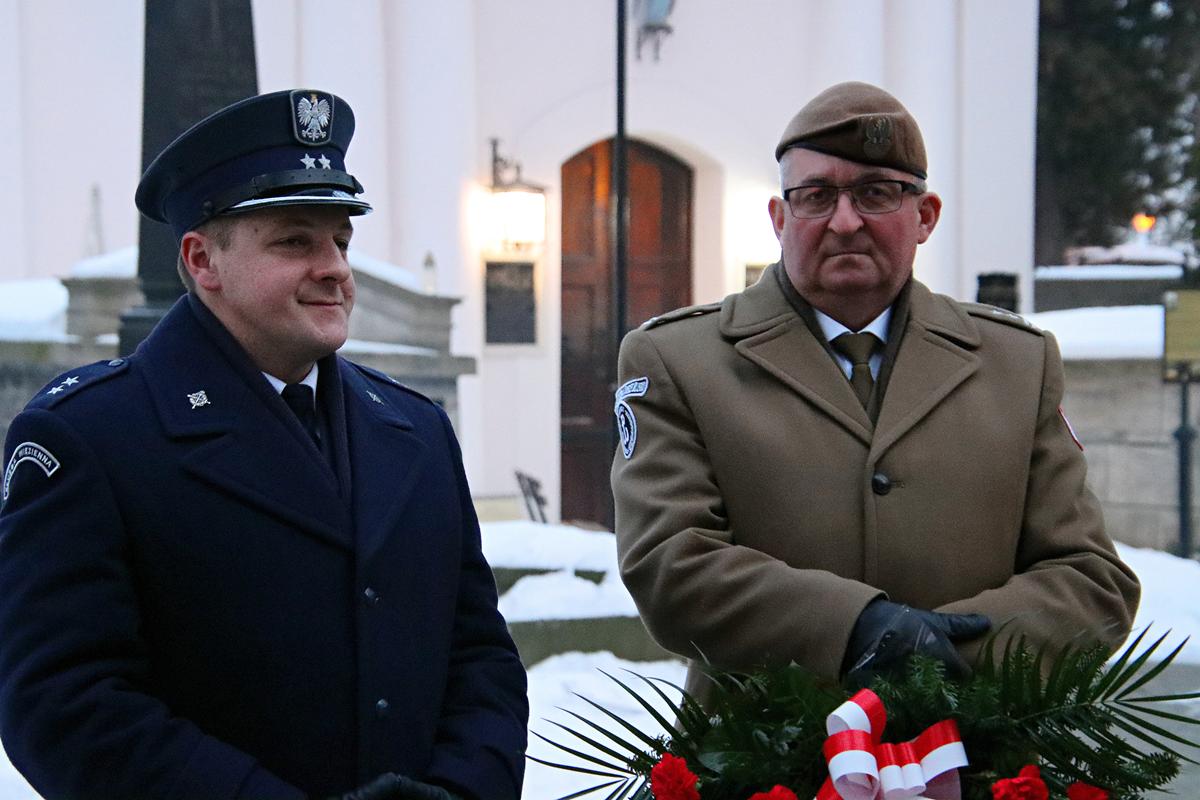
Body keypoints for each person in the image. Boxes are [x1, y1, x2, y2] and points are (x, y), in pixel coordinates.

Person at [0, 90, 527, 799]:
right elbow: (64, 703)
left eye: (341, 241)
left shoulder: (415, 430)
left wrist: (460, 790)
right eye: (294, 242)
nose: (335, 268)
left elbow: (479, 656)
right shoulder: (94, 436)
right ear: (202, 260)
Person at [611, 81, 1140, 699]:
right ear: (780, 219)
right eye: (816, 196)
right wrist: (852, 631)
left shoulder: (1016, 364)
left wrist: (946, 653)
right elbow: (670, 567)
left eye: (876, 193)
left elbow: (1091, 580)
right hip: (760, 749)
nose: (844, 221)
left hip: (976, 745)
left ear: (925, 216)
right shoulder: (680, 361)